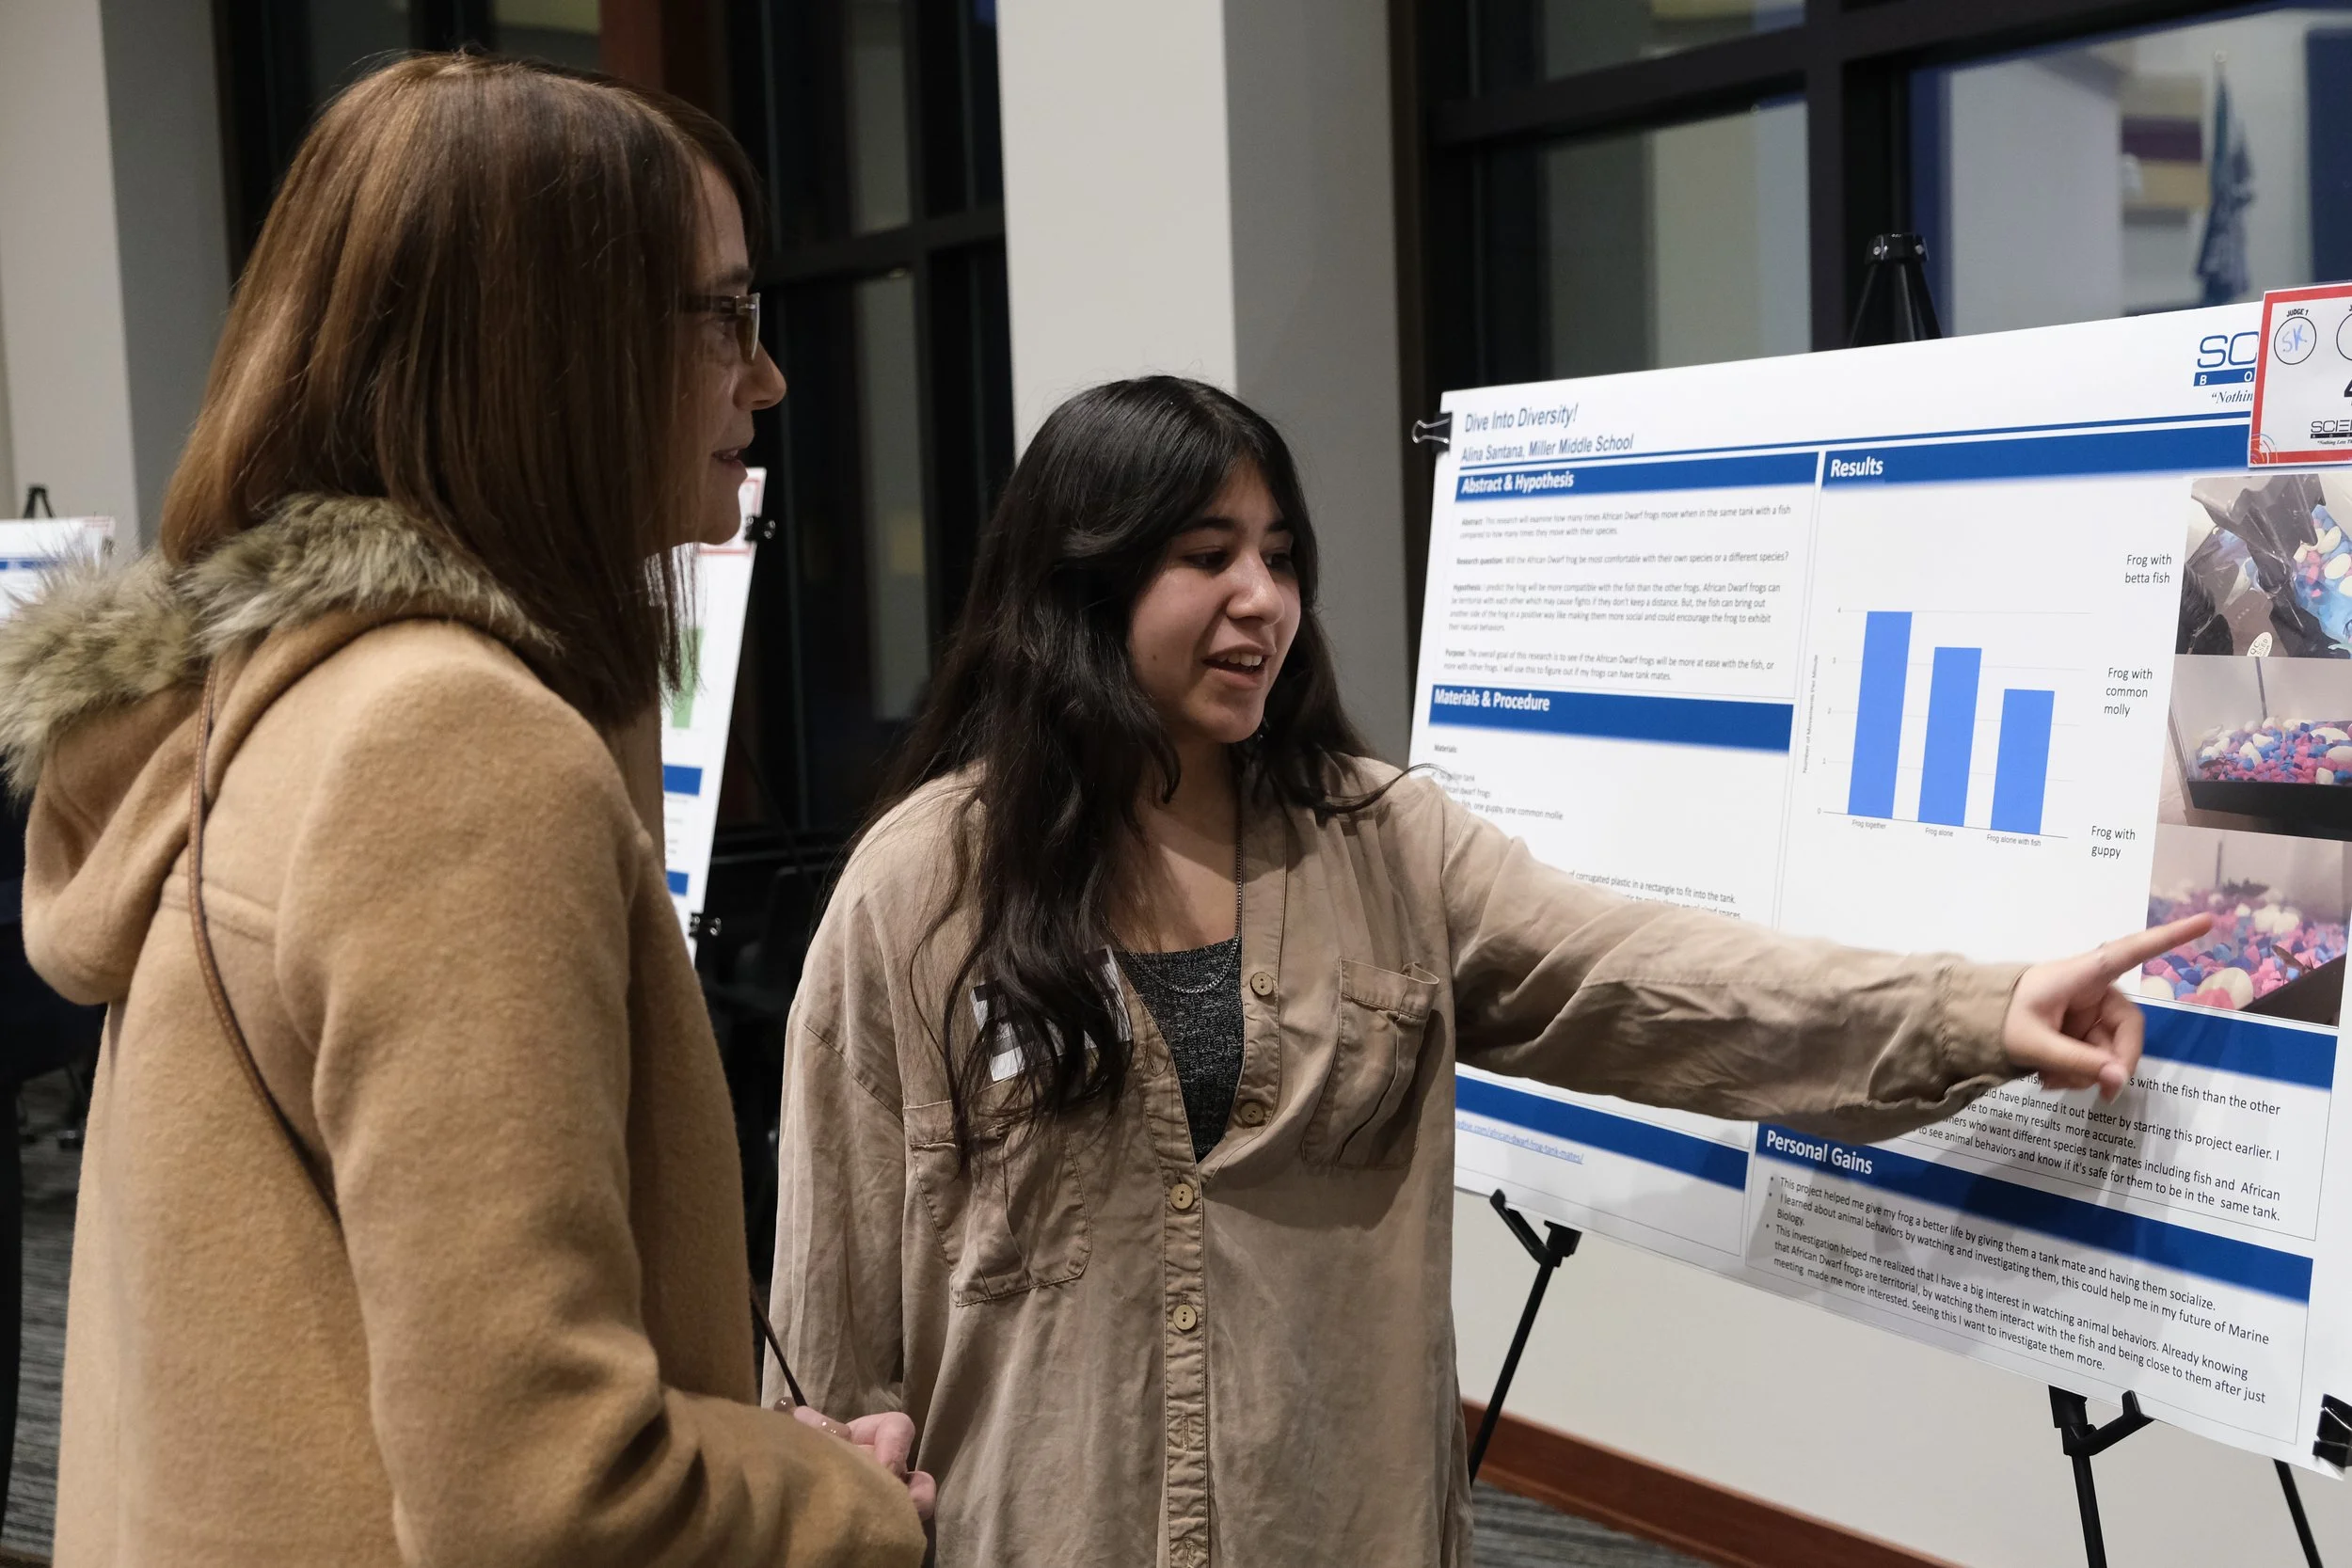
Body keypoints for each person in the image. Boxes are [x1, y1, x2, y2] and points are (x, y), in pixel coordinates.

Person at [766, 375, 2207, 1568]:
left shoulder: (1383, 843)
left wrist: (1971, 1008)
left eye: (1281, 556)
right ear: (1082, 579)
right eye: (1208, 555)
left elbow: (1647, 974)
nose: (1263, 597)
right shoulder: (921, 892)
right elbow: (830, 1319)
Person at [0, 55, 927, 1567]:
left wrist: (731, 1448)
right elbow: (545, 1498)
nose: (764, 379)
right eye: (727, 317)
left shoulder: (263, 709)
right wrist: (848, 1504)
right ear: (551, 347)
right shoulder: (453, 748)